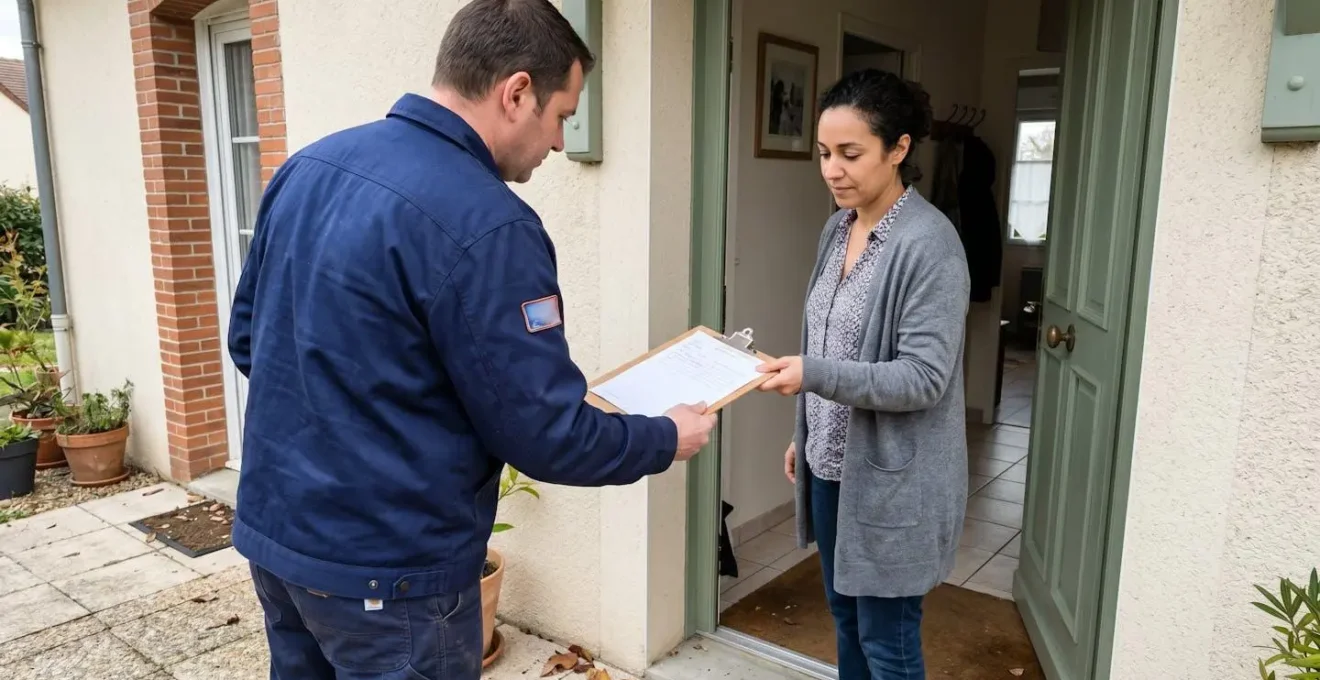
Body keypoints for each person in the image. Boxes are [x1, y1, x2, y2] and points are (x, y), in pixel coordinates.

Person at [225, 1, 717, 678]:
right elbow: (545, 436)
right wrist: (666, 437)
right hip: (391, 578)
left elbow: (249, 340)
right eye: (562, 117)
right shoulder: (490, 224)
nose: (558, 143)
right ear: (516, 92)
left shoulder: (309, 167)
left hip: (279, 545)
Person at [756, 69, 970, 679]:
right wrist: (808, 431)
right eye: (824, 153)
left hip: (891, 482)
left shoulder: (930, 245)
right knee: (846, 621)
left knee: (888, 643)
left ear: (899, 148)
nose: (832, 170)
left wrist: (812, 376)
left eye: (851, 154)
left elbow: (923, 378)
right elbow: (826, 338)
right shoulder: (837, 228)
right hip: (830, 468)